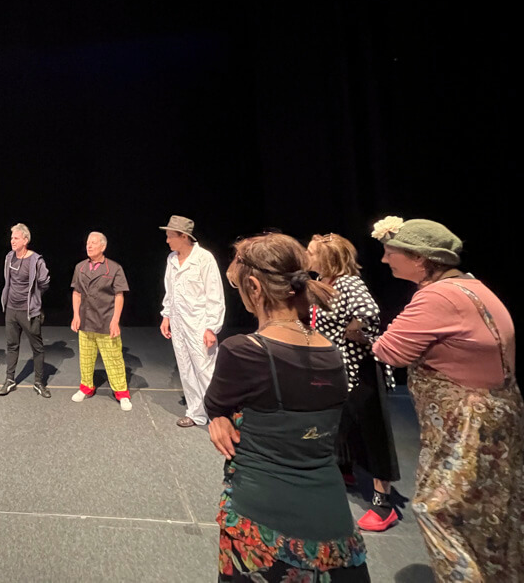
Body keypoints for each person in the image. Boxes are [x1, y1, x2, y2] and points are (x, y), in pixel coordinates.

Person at [204, 232, 369, 582]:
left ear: (254, 287)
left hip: (262, 521)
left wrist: (218, 417)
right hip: (333, 520)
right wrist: (219, 416)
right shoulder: (331, 353)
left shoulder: (243, 351)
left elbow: (216, 402)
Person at [370, 216, 522, 581]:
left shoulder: (437, 296)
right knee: (490, 515)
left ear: (420, 259)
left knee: (440, 511)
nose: (385, 260)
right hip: (497, 413)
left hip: (467, 420)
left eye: (392, 252)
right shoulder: (473, 286)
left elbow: (389, 350)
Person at [307, 233, 400, 533]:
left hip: (359, 369)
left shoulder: (348, 283)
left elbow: (369, 311)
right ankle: (344, 470)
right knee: (339, 423)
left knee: (373, 432)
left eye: (311, 252)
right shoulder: (322, 282)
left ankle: (383, 503)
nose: (307, 257)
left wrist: (354, 331)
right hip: (334, 368)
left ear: (328, 258)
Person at [158, 215, 225, 428]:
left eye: (171, 236)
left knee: (206, 370)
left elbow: (215, 294)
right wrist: (166, 315)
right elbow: (170, 290)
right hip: (179, 322)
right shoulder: (171, 259)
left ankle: (219, 416)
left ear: (184, 236)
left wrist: (211, 327)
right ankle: (196, 413)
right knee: (186, 369)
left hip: (199, 323)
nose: (167, 240)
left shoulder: (204, 258)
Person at [70, 232, 132, 411]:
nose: (89, 246)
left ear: (103, 247)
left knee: (114, 359)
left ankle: (121, 393)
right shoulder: (80, 267)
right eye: (87, 242)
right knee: (86, 358)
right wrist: (76, 315)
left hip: (105, 320)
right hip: (86, 320)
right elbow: (77, 293)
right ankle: (86, 387)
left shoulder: (114, 268)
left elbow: (119, 295)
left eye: (93, 243)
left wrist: (115, 320)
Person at [0, 223, 51, 397]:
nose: (12, 241)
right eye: (11, 238)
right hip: (11, 309)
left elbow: (44, 282)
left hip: (28, 311)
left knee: (37, 347)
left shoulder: (36, 260)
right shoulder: (9, 257)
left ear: (25, 240)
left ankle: (39, 382)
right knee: (12, 345)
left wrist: (35, 298)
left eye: (16, 238)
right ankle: (10, 380)